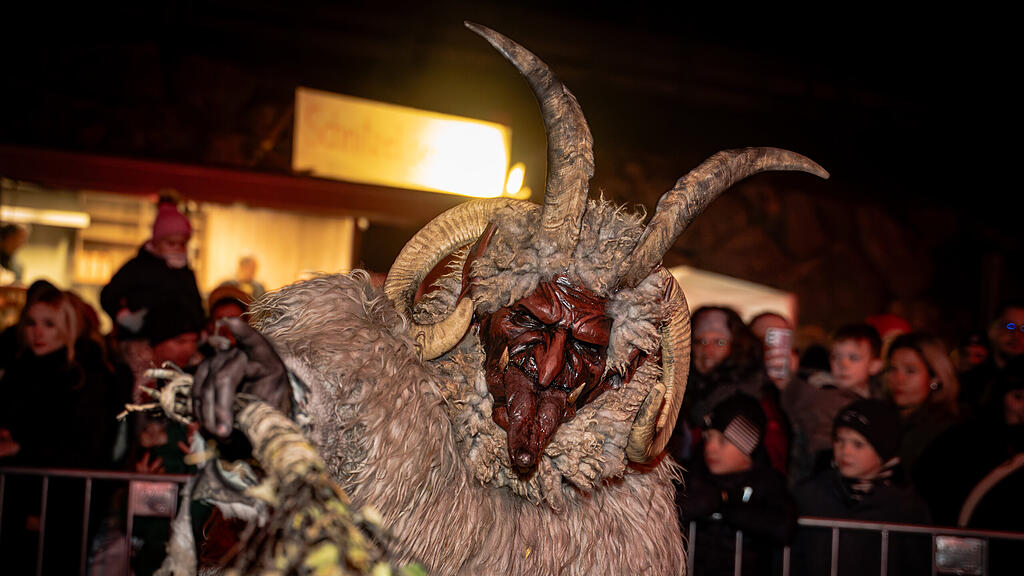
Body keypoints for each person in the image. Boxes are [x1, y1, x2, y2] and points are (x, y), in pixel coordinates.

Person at [793, 399, 931, 576]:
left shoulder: (906, 507)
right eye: (839, 440)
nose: (846, 451)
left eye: (858, 444)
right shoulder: (810, 495)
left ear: (883, 451)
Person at [681, 393, 796, 576]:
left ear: (747, 448)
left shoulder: (768, 483)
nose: (711, 447)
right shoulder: (692, 474)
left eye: (723, 441)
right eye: (708, 438)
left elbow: (783, 527)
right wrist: (710, 501)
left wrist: (728, 507)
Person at [681, 305, 790, 474]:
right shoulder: (687, 391)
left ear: (737, 346)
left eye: (719, 342)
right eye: (701, 341)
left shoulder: (750, 398)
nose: (707, 350)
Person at [778, 324, 885, 484]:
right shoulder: (824, 399)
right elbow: (822, 452)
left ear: (875, 365)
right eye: (836, 357)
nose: (843, 365)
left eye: (853, 358)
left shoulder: (873, 400)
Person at [100, 200, 204, 344]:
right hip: (142, 341)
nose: (178, 249)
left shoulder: (185, 272)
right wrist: (124, 316)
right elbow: (108, 295)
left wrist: (200, 329)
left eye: (182, 244)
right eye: (171, 243)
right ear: (156, 242)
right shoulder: (137, 267)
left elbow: (195, 304)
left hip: (180, 344)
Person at [883, 332, 960, 491]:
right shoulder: (881, 418)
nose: (898, 379)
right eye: (892, 369)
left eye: (910, 371)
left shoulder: (947, 432)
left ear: (935, 378)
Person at [960, 302, 1024, 417]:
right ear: (993, 330)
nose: (1016, 335)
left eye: (1023, 328)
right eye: (1010, 326)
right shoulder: (973, 377)